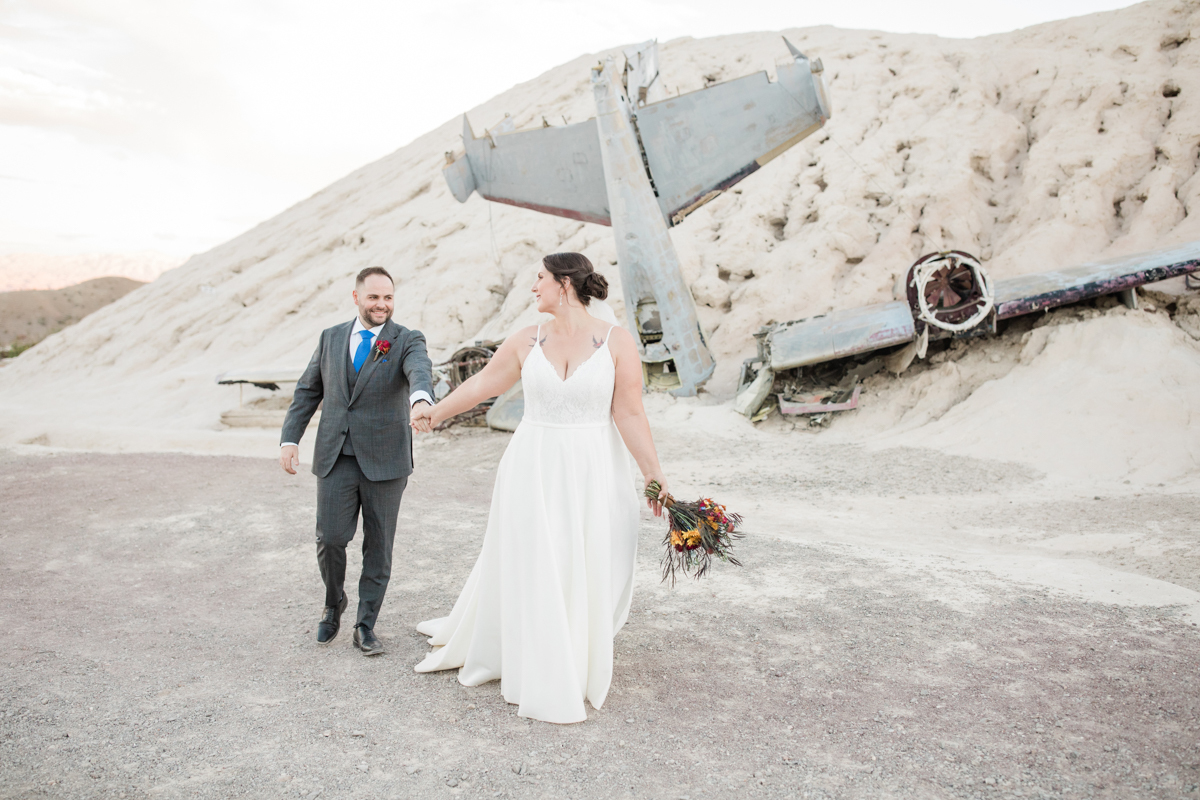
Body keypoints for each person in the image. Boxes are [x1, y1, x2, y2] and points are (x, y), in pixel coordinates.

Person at [410, 252, 668, 724]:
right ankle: (531, 650)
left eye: (540, 279)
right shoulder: (525, 339)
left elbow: (629, 412)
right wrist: (436, 412)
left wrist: (653, 473)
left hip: (592, 466)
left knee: (581, 553)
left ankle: (571, 648)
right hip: (532, 464)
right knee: (535, 554)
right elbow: (485, 385)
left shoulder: (617, 341)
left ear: (565, 284)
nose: (534, 288)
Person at [279, 266, 434, 656]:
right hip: (335, 455)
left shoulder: (406, 339)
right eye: (374, 297)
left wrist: (420, 400)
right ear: (356, 297)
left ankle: (365, 624)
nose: (382, 305)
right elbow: (307, 390)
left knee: (378, 547)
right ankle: (334, 602)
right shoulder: (330, 338)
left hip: (386, 459)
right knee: (329, 539)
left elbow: (420, 371)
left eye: (388, 298)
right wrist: (289, 438)